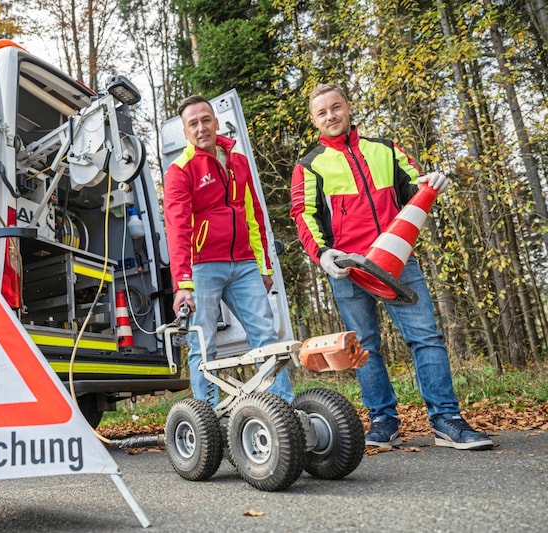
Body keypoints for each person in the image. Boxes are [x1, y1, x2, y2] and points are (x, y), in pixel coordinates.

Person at [290, 83, 493, 450]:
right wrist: (322, 255)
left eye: (336, 108)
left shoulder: (385, 150)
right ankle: (383, 421)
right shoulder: (309, 165)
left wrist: (433, 182)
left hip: (397, 261)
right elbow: (303, 215)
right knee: (363, 345)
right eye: (322, 112)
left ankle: (446, 420)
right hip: (348, 268)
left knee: (426, 338)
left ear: (349, 108)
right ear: (313, 120)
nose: (331, 116)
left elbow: (418, 185)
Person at [163, 94, 294, 407]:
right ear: (185, 132)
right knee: (202, 346)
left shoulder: (237, 161)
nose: (201, 128)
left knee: (266, 337)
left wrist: (264, 267)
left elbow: (253, 214)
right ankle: (207, 418)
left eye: (205, 120)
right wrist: (182, 284)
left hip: (244, 265)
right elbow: (177, 230)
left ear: (216, 122)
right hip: (203, 268)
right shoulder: (179, 171)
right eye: (192, 124)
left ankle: (282, 409)